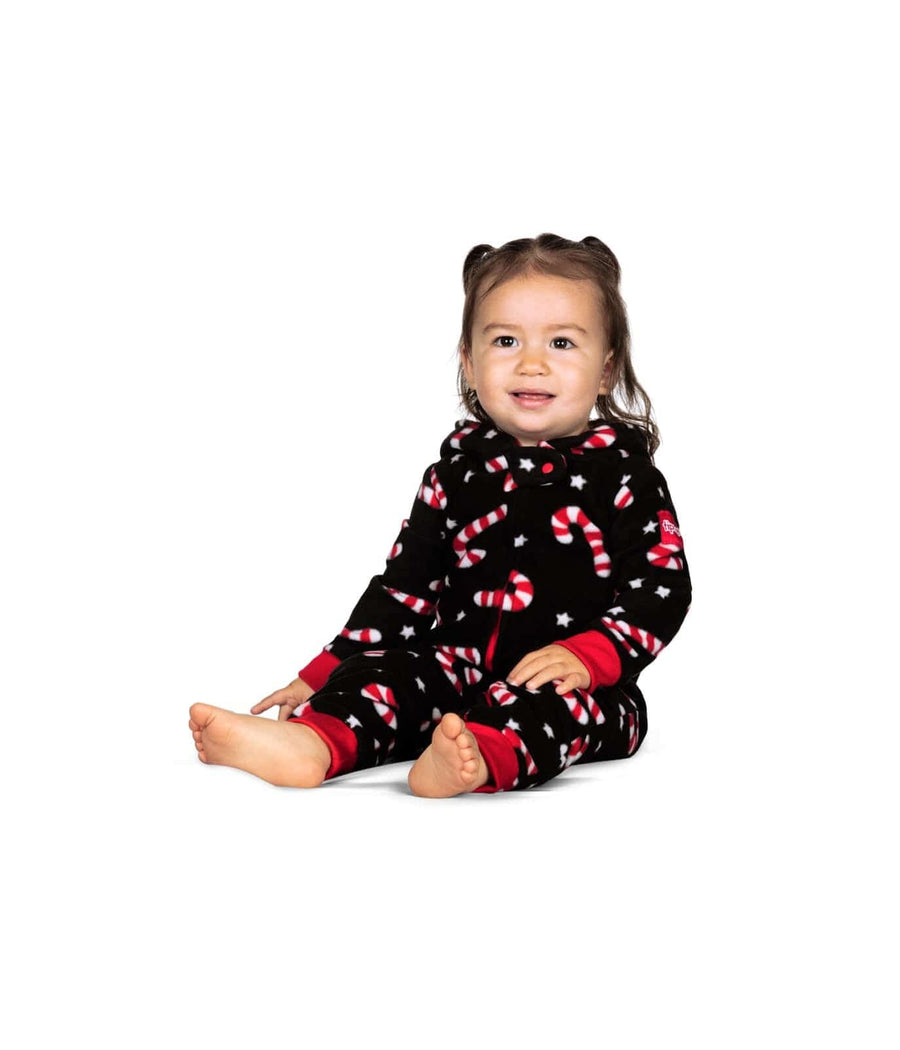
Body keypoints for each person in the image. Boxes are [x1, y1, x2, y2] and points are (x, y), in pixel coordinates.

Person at [188, 233, 692, 797]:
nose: (532, 364)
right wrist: (323, 673)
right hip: (454, 668)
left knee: (560, 713)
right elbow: (402, 593)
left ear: (606, 369)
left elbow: (661, 592)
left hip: (581, 683)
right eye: (506, 340)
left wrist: (589, 656)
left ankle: (477, 757)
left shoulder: (626, 479)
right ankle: (313, 743)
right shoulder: (453, 476)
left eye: (561, 343)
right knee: (383, 676)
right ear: (470, 364)